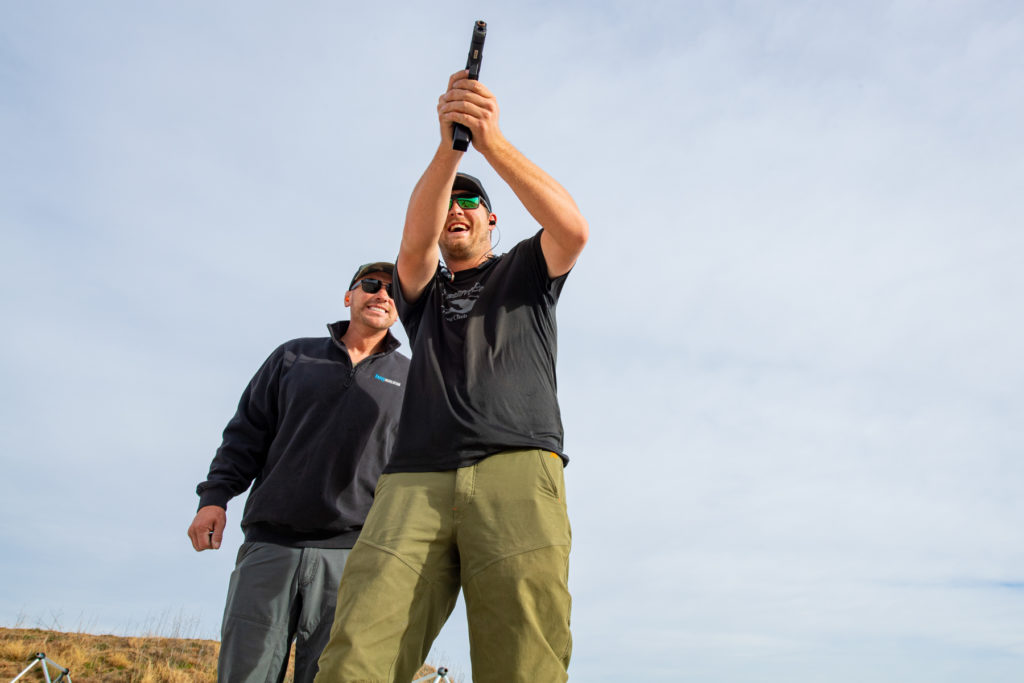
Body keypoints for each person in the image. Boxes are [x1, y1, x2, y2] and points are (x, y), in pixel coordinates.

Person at [315, 70, 588, 683]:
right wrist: (451, 146)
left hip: (518, 468)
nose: (457, 211)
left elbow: (572, 228)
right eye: (449, 205)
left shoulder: (527, 268)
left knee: (524, 657)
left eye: (471, 202)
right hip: (415, 480)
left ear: (492, 220)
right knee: (359, 651)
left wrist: (490, 139)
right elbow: (413, 245)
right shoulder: (420, 288)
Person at [187, 262, 409, 683]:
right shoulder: (294, 356)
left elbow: (416, 473)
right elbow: (245, 433)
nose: (382, 294)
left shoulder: (413, 380)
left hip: (353, 558)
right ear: (349, 296)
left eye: (393, 291)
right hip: (271, 547)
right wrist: (213, 499)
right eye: (371, 285)